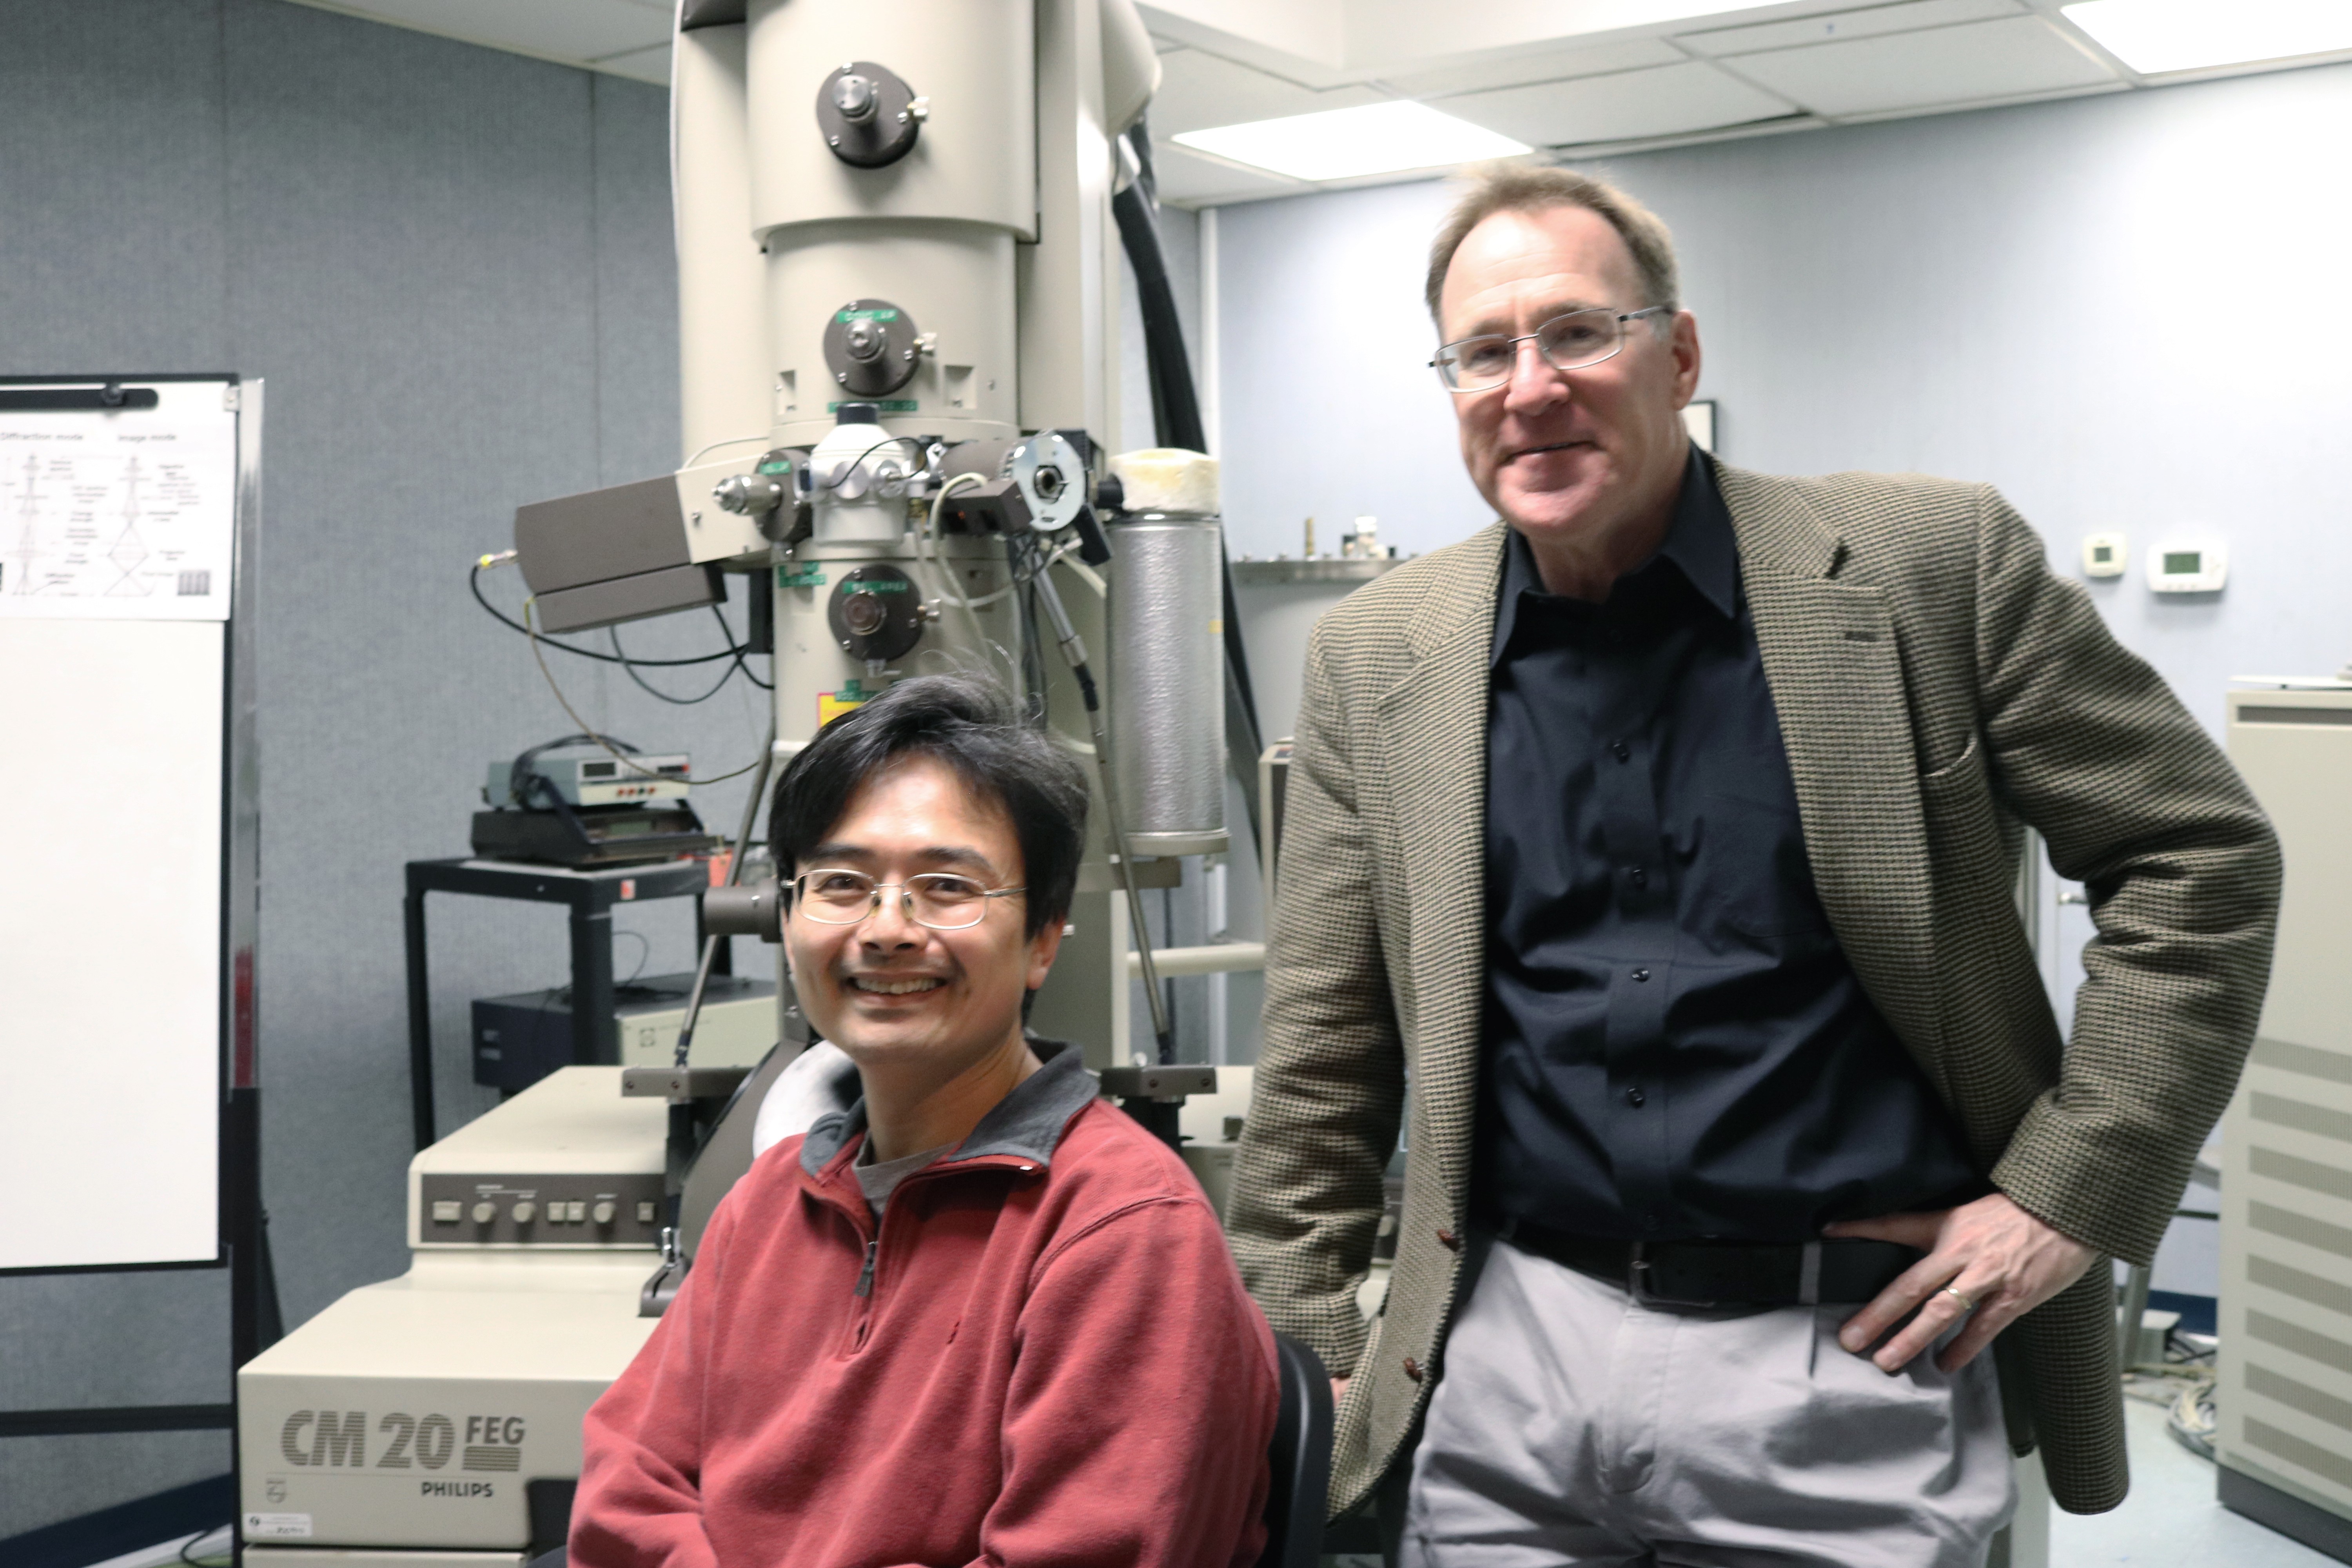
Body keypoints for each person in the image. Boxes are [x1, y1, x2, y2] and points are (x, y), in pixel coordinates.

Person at [1224, 164, 2280, 1566]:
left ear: (1680, 352)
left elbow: (2194, 857)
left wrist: (2062, 1200)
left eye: (1576, 334)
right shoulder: (1380, 653)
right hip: (1506, 1361)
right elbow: (1326, 1034)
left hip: (1851, 1356)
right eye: (1482, 352)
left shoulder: (1925, 568)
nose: (1527, 387)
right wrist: (1308, 1339)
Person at [573, 674, 1279, 1568]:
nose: (887, 929)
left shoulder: (1121, 1228)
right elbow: (625, 1491)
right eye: (841, 882)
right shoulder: (768, 1204)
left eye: (947, 885)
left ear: (1045, 938)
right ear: (789, 918)